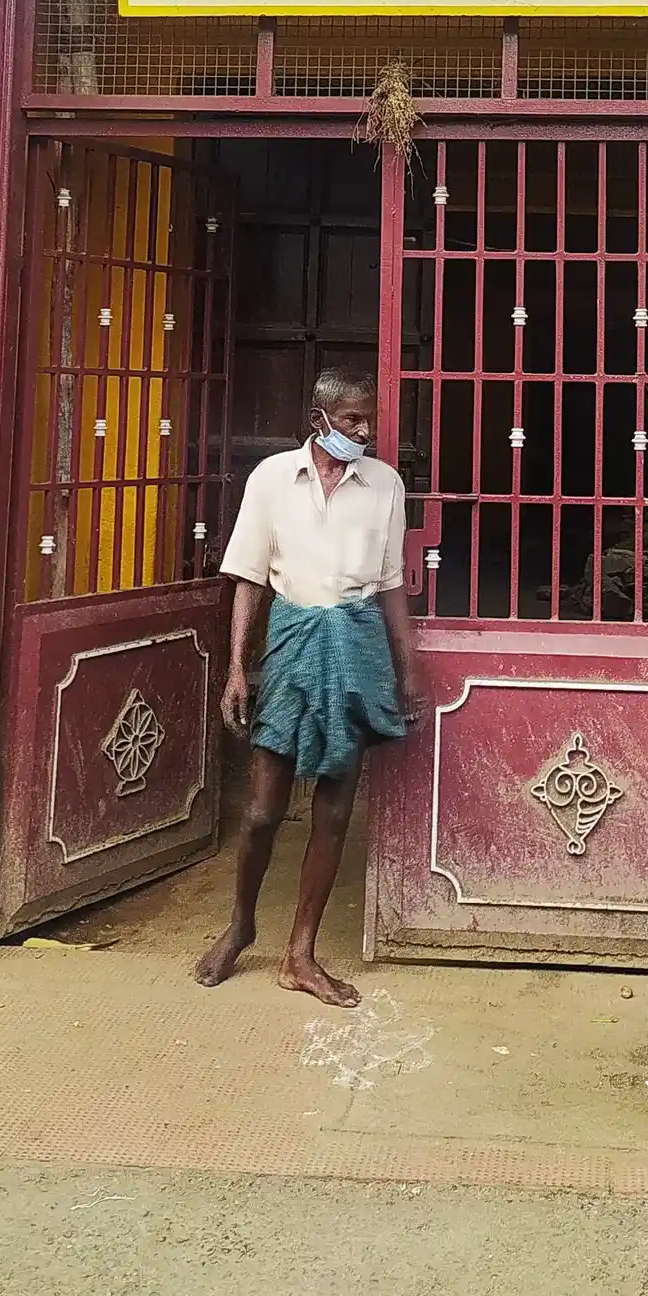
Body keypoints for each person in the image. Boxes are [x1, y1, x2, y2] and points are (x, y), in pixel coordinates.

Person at [194, 370, 420, 1006]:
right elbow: (248, 579)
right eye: (351, 419)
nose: (364, 431)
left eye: (369, 419)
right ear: (319, 418)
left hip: (356, 643)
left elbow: (391, 585)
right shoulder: (271, 479)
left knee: (335, 809)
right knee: (263, 811)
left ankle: (301, 954)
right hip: (291, 642)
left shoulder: (385, 485)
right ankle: (241, 926)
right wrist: (237, 669)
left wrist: (407, 669)